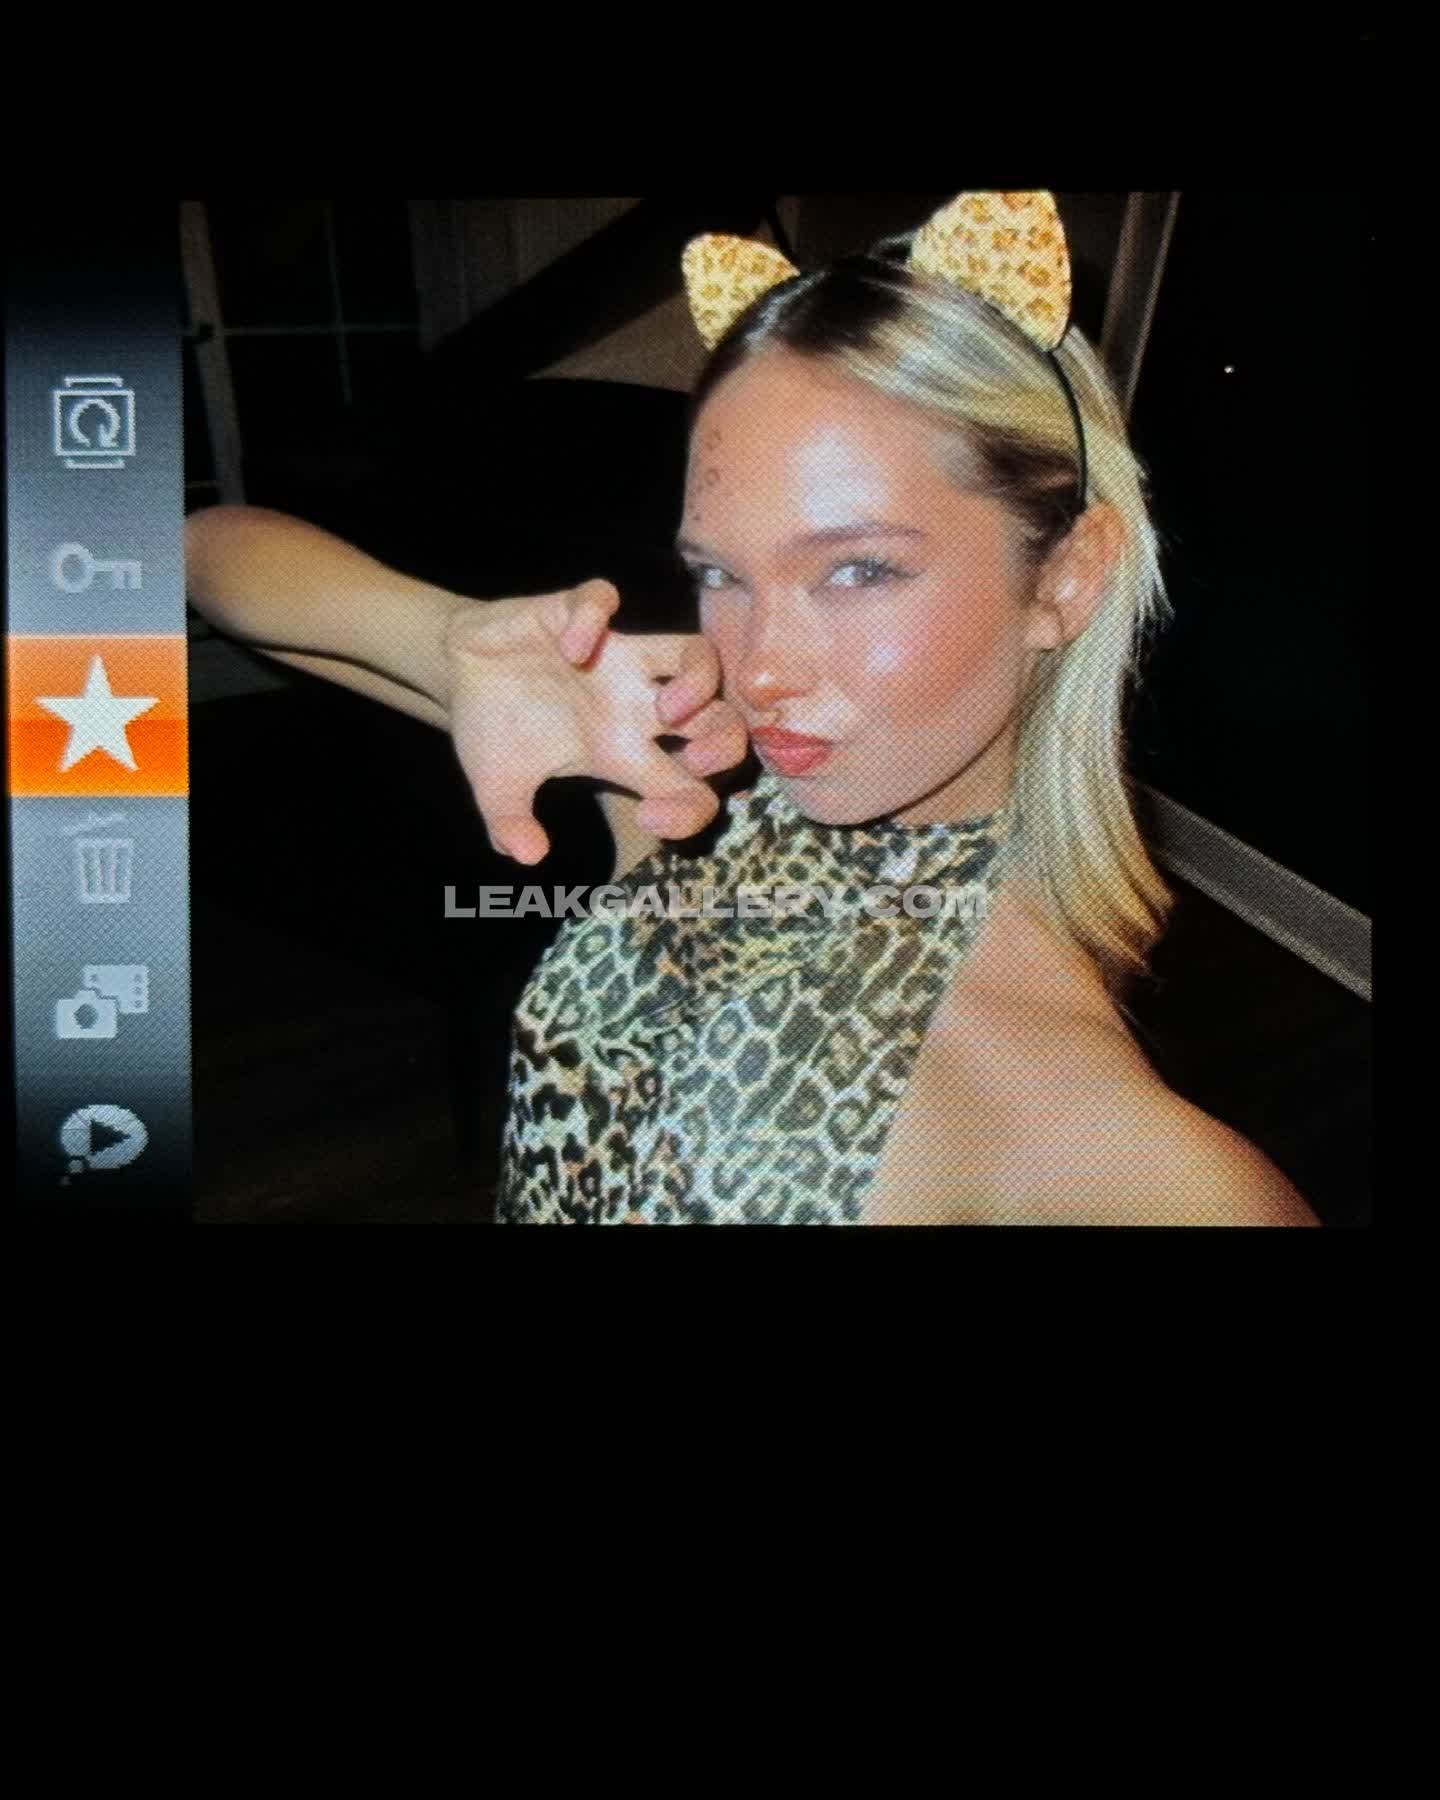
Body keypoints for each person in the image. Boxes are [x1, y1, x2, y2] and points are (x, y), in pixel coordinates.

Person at [185, 191, 1319, 1226]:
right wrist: (443, 638)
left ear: (1066, 579)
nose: (760, 669)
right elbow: (206, 552)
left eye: (858, 570)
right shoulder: (696, 773)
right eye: (721, 573)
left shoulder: (1124, 1162)